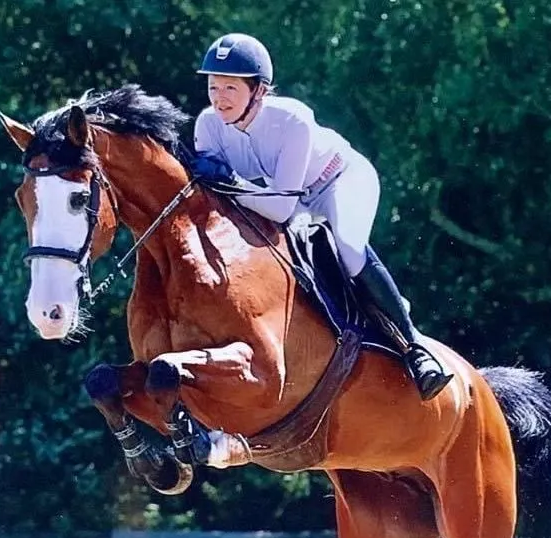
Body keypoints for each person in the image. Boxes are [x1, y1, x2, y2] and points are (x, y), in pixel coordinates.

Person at [190, 33, 453, 401]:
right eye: (213, 87)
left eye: (230, 88)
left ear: (259, 90)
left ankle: (415, 347)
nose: (219, 98)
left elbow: (280, 207)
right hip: (288, 200)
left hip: (338, 181)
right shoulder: (207, 125)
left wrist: (231, 181)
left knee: (347, 248)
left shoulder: (292, 120)